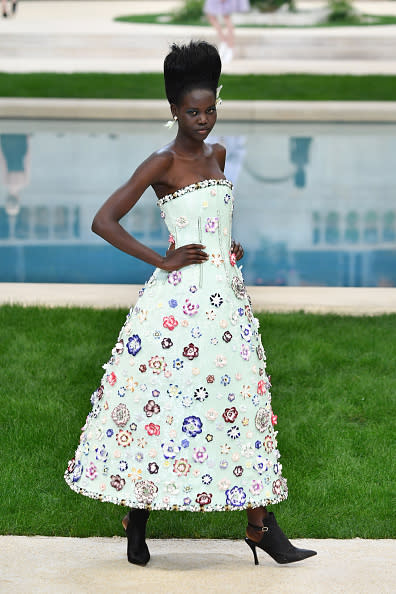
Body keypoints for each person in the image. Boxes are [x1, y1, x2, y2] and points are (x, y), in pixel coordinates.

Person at [64, 40, 317, 568]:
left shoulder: (218, 155)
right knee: (160, 408)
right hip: (176, 311)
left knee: (240, 409)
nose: (203, 120)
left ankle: (261, 528)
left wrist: (228, 244)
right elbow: (103, 220)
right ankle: (136, 522)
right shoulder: (162, 162)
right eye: (193, 111)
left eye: (210, 109)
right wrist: (161, 259)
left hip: (226, 305)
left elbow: (213, 218)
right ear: (174, 111)